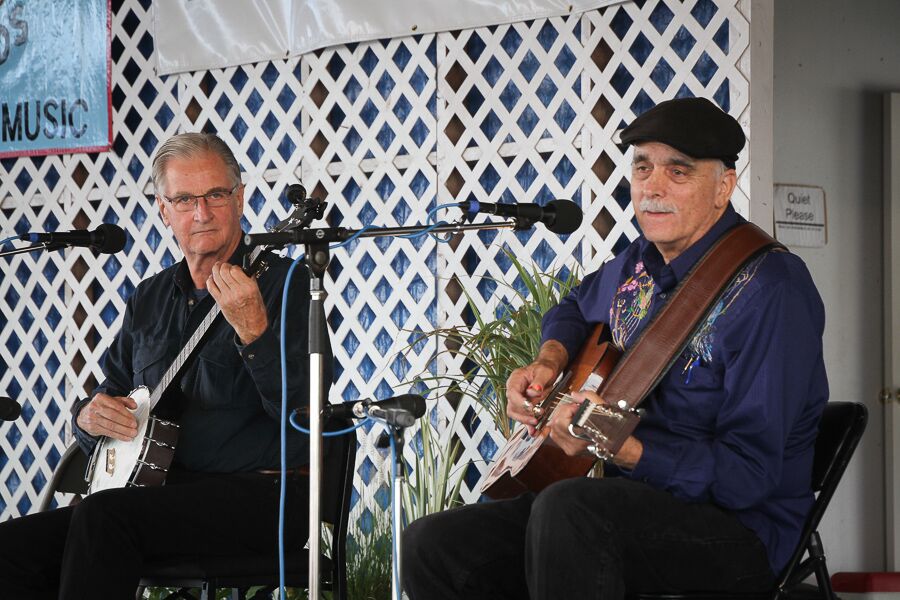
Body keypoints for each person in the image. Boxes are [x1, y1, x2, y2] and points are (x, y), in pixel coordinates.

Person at [402, 97, 829, 599]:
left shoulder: (771, 290)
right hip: (629, 504)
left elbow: (748, 477)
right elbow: (573, 308)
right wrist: (549, 361)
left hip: (739, 531)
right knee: (435, 544)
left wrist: (620, 445)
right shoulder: (639, 263)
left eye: (678, 171)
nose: (653, 187)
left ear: (723, 187)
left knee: (571, 511)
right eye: (643, 168)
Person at [0, 132, 324, 598]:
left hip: (263, 495)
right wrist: (89, 418)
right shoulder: (149, 298)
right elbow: (111, 392)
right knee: (13, 548)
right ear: (163, 210)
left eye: (216, 195)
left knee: (104, 517)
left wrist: (256, 334)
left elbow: (305, 416)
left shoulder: (286, 285)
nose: (202, 212)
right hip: (157, 494)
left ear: (239, 199)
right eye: (185, 199)